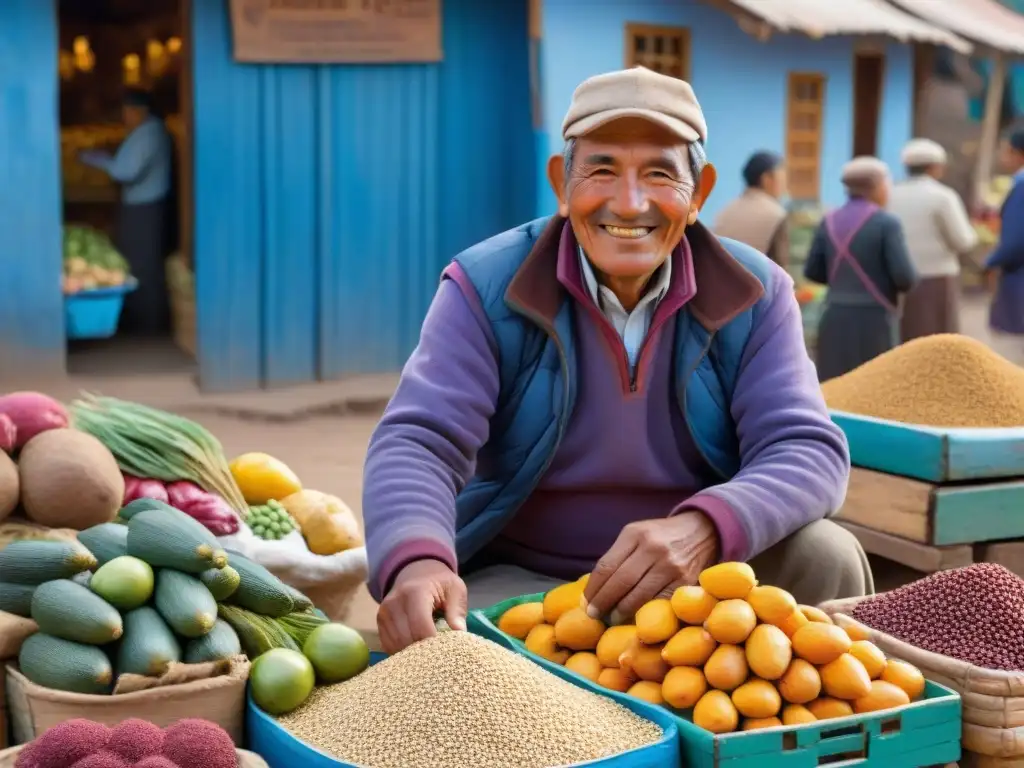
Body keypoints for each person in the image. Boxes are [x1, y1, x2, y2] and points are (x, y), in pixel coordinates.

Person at [364, 67, 866, 655]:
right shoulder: (484, 283)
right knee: (468, 652)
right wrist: (418, 559)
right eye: (601, 170)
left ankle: (786, 747)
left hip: (707, 582)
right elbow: (419, 439)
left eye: (659, 174)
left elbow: (806, 446)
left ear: (699, 194)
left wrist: (704, 527)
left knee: (827, 556)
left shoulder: (755, 291)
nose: (629, 204)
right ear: (561, 183)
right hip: (529, 583)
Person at [804, 157, 918, 382]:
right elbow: (905, 277)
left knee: (835, 388)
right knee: (874, 388)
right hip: (875, 321)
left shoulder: (829, 220)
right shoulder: (887, 223)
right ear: (876, 186)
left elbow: (812, 271)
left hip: (834, 316)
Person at [78, 88, 174, 336]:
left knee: (142, 266)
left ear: (138, 111)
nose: (124, 118)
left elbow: (125, 172)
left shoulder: (147, 134)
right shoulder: (148, 131)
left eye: (126, 112)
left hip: (145, 209)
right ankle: (144, 323)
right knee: (143, 264)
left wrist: (97, 160)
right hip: (146, 206)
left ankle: (146, 327)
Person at [888, 138, 977, 341]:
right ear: (935, 167)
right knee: (937, 340)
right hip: (937, 279)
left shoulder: (890, 194)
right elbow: (963, 240)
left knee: (906, 338)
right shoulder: (943, 196)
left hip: (898, 279)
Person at [985, 130, 1024, 362]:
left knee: (1012, 359)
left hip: (1019, 280)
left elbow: (1016, 240)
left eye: (1005, 149)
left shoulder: (1021, 187)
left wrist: (990, 262)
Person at [713, 151, 790, 267]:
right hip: (754, 283)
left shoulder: (726, 211)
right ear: (767, 179)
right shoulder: (776, 214)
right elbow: (783, 268)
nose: (785, 186)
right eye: (783, 178)